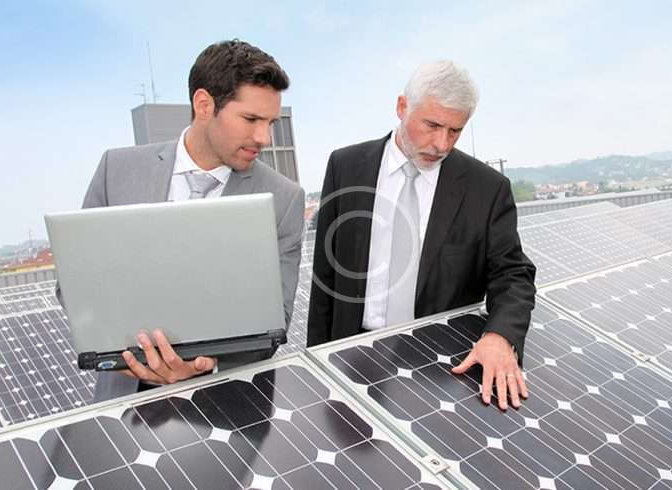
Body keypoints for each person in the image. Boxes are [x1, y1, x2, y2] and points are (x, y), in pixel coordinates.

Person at [77, 40, 305, 401]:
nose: (264, 137)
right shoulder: (116, 172)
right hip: (124, 398)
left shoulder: (284, 199)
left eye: (270, 122)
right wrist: (124, 351)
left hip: (226, 402)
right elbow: (77, 286)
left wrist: (206, 365)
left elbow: (276, 321)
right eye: (250, 119)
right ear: (204, 104)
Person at [307, 60, 536, 410]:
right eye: (431, 125)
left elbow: (513, 274)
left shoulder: (487, 190)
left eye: (455, 131)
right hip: (350, 355)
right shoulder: (346, 167)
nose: (441, 144)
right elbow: (326, 276)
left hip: (440, 369)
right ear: (402, 107)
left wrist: (499, 336)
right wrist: (316, 362)